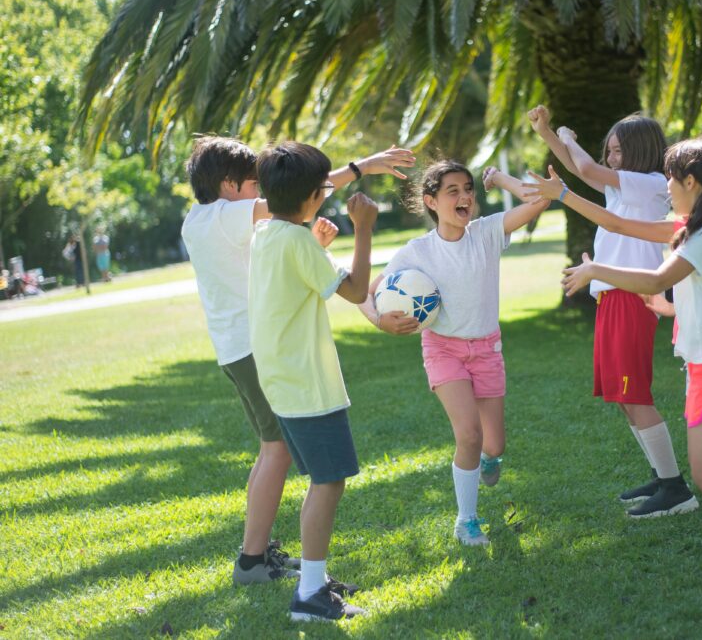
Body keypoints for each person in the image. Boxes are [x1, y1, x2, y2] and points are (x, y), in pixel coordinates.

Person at [523, 164, 702, 556]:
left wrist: (593, 264)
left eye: (672, 179)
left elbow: (641, 252)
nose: (666, 186)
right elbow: (619, 225)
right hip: (701, 343)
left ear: (695, 183)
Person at [181, 135, 414, 592]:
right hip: (258, 347)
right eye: (253, 184)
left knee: (275, 448)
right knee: (278, 449)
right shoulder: (228, 215)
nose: (261, 193)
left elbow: (297, 194)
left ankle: (257, 551)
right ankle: (252, 558)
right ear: (228, 185)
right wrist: (362, 168)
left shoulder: (202, 219)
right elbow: (297, 191)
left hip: (243, 346)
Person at [358, 160, 549, 547]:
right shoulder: (416, 251)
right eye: (453, 191)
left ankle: (489, 461)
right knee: (470, 434)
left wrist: (500, 179)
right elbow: (363, 290)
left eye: (469, 189)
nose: (464, 197)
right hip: (443, 349)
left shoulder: (488, 232)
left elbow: (538, 200)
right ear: (431, 201)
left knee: (494, 445)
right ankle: (467, 521)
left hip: (487, 347)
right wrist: (380, 320)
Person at [527, 105, 696, 518]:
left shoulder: (648, 183)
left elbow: (584, 165)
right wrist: (548, 132)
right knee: (623, 396)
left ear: (638, 151)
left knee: (634, 392)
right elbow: (581, 169)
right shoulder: (626, 189)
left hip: (629, 295)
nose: (611, 158)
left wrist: (567, 135)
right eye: (610, 151)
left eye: (617, 151)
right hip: (612, 296)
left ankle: (675, 489)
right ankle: (662, 476)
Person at [248, 141, 383, 622]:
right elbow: (357, 291)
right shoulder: (298, 240)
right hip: (306, 383)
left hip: (283, 380)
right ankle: (309, 595)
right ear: (310, 197)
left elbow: (294, 283)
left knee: (322, 479)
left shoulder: (268, 232)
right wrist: (363, 230)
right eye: (323, 187)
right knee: (329, 481)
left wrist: (319, 247)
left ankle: (313, 582)